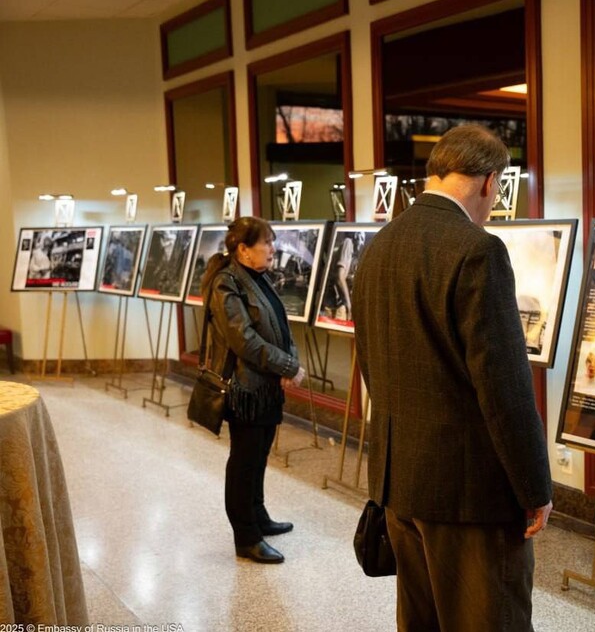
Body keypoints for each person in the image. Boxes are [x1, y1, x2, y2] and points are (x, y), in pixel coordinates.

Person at [353, 124, 553, 631]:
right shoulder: (478, 251)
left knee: (420, 623)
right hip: (470, 497)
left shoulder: (378, 247)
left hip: (400, 485)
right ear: (490, 183)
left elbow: (373, 366)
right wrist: (535, 488)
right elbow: (504, 389)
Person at [200, 216, 307, 564]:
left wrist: (288, 361)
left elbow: (280, 327)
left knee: (259, 455)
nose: (273, 249)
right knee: (244, 462)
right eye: (267, 243)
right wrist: (288, 367)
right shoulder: (226, 284)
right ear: (244, 250)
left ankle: (259, 516)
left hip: (266, 385)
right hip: (245, 390)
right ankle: (246, 537)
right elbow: (244, 340)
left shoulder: (258, 278)